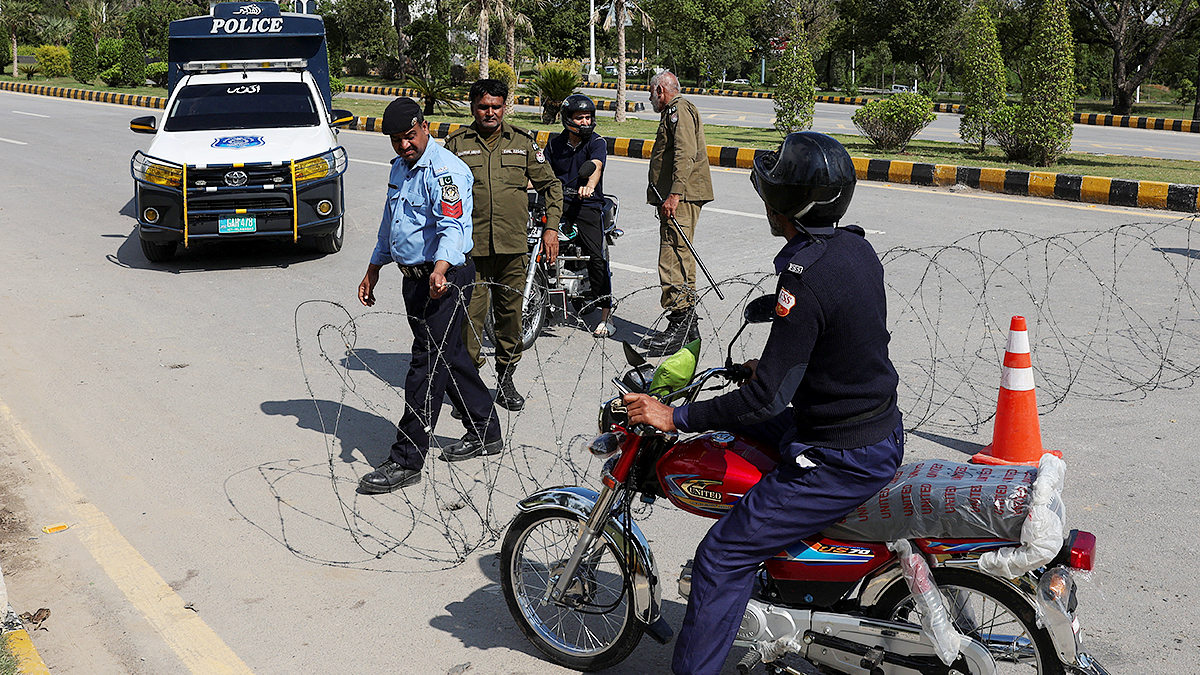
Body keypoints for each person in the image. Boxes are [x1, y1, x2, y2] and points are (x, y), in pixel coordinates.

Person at [622, 132, 904, 675]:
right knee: (747, 439)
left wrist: (675, 416)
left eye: (773, 192)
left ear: (791, 205)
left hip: (840, 455)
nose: (766, 201)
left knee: (720, 558)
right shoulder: (856, 248)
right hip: (865, 424)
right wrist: (777, 369)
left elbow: (763, 397)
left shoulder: (806, 277)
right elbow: (845, 343)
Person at [355, 97, 504, 495]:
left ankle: (407, 458)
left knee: (426, 364)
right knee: (448, 355)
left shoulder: (445, 170)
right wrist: (374, 267)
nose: (404, 146)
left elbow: (453, 227)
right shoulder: (401, 170)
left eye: (409, 137)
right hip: (414, 279)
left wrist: (440, 269)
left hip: (446, 277)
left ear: (424, 127)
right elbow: (392, 223)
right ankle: (485, 428)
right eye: (396, 141)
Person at [444, 79, 564, 412]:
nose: (490, 113)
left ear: (503, 108)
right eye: (484, 107)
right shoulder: (456, 145)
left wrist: (551, 230)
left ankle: (506, 379)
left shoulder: (522, 143)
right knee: (470, 319)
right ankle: (470, 388)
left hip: (513, 249)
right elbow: (439, 194)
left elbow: (551, 187)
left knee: (510, 318)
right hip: (472, 251)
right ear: (473, 107)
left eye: (496, 107)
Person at [644, 70, 714, 356]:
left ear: (661, 91)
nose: (650, 99)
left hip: (681, 197)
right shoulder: (674, 111)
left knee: (673, 256)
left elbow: (686, 153)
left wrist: (675, 194)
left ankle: (680, 322)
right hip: (679, 195)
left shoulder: (678, 110)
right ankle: (686, 326)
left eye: (651, 94)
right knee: (677, 254)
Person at [546, 93, 615, 338]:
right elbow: (543, 172)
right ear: (568, 119)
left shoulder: (596, 142)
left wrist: (589, 186)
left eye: (588, 117)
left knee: (596, 258)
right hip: (557, 202)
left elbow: (596, 167)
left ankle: (606, 314)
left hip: (586, 203)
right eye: (580, 117)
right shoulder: (554, 144)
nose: (585, 122)